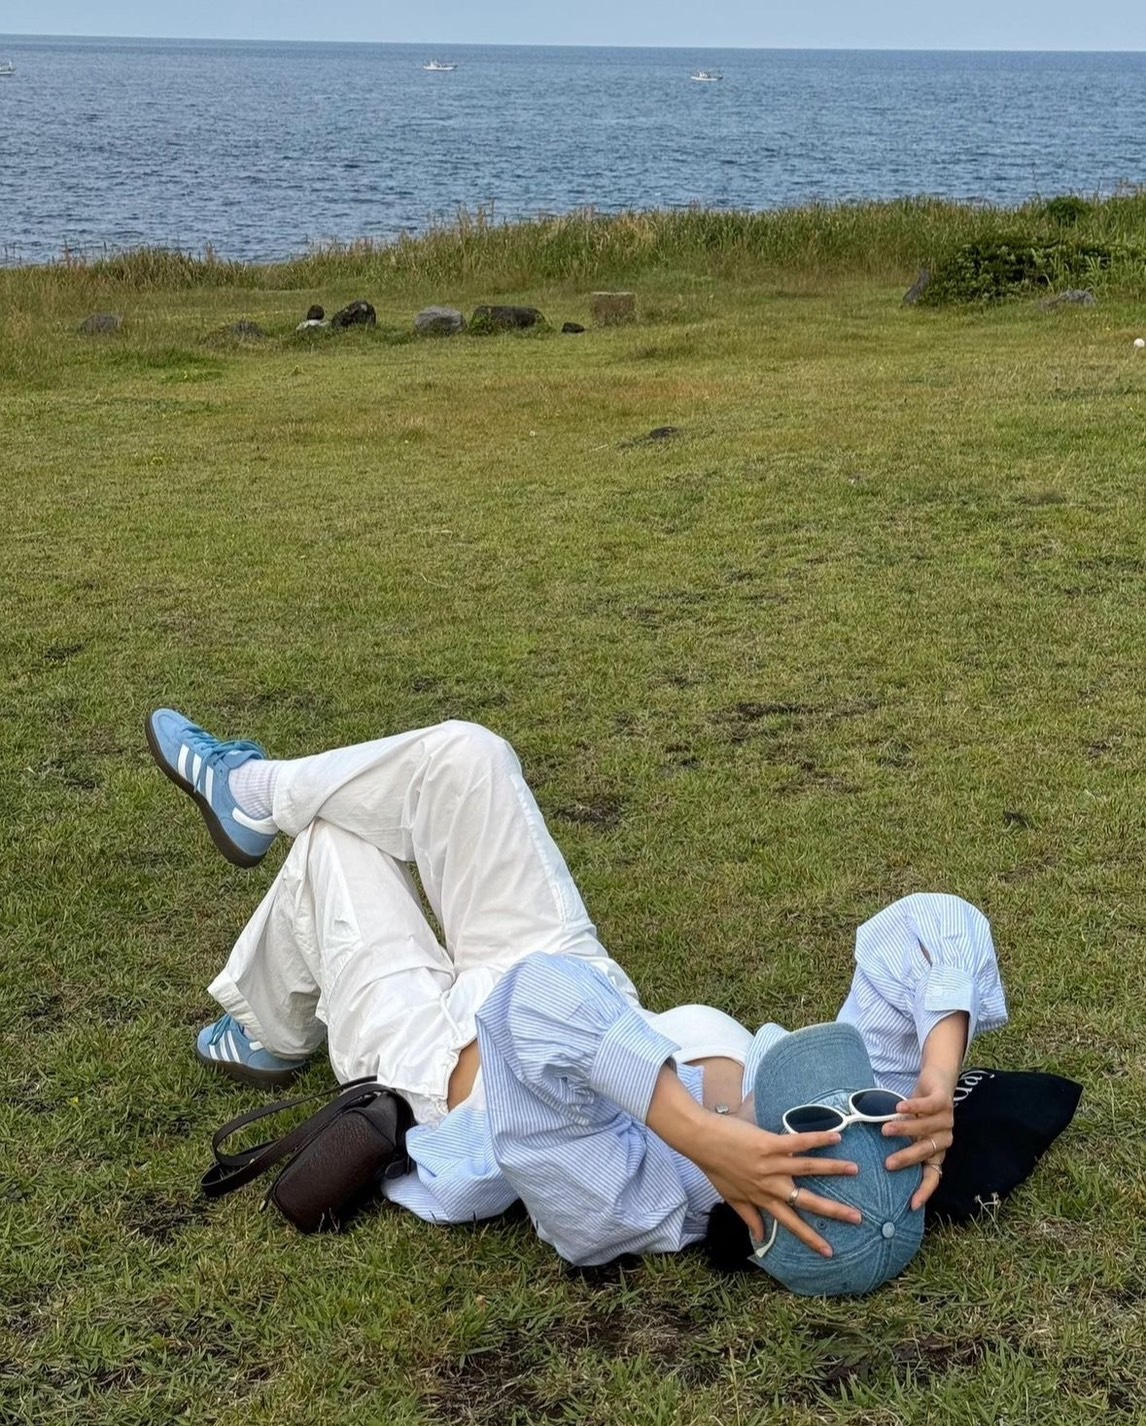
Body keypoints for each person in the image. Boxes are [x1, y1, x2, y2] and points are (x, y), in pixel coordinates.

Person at [146, 710, 1008, 1295]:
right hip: (578, 981)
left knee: (334, 846)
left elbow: (540, 1007)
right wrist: (936, 1080)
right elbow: (934, 925)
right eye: (866, 1109)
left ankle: (269, 1026)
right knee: (467, 756)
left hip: (434, 1060)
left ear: (759, 1205)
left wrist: (700, 1138)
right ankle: (253, 796)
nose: (841, 1097)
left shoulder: (624, 1205)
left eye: (813, 1119)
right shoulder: (865, 1115)